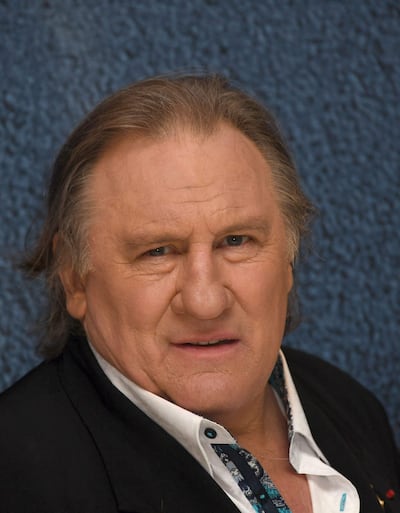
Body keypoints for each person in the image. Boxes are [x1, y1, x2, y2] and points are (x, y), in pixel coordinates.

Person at [0, 74, 398, 513]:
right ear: (74, 277)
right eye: (157, 251)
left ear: (288, 257)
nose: (205, 302)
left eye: (237, 241)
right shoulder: (17, 475)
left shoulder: (351, 406)